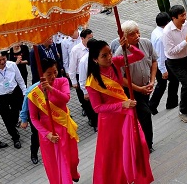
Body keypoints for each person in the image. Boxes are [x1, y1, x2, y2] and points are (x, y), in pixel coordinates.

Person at [86, 38, 153, 184]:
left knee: (140, 144)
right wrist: (122, 105)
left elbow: (139, 56)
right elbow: (97, 108)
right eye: (104, 56)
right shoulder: (92, 81)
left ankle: (137, 176)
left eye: (109, 53)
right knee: (116, 153)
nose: (109, 57)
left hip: (126, 113)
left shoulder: (115, 63)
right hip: (110, 121)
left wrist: (128, 46)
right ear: (95, 59)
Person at [28, 56, 81, 184]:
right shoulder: (34, 93)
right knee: (58, 165)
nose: (53, 76)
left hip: (65, 127)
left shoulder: (62, 81)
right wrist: (47, 134)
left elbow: (66, 98)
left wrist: (51, 89)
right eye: (49, 74)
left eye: (55, 72)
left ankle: (73, 172)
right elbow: (33, 118)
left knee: (73, 159)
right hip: (50, 133)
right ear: (41, 74)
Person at [113, 20, 158, 153]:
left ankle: (144, 142)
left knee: (143, 115)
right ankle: (147, 144)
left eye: (137, 32)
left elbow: (154, 61)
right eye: (132, 34)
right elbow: (121, 79)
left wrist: (152, 80)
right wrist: (139, 89)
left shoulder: (146, 43)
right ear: (125, 37)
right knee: (145, 115)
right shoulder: (120, 53)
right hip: (132, 90)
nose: (137, 36)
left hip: (146, 86)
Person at [0, 51, 27, 148]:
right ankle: (15, 137)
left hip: (14, 92)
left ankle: (14, 123)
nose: (2, 62)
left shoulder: (12, 65)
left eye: (4, 59)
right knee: (6, 117)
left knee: (16, 111)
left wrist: (24, 91)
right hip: (1, 96)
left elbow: (19, 79)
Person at [161, 5, 187, 121]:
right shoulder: (167, 32)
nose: (185, 17)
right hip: (174, 62)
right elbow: (171, 51)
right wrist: (186, 42)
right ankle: (183, 111)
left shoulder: (186, 24)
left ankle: (186, 107)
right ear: (174, 18)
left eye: (185, 14)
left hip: (186, 58)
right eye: (182, 16)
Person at [67, 29, 97, 130]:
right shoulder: (76, 50)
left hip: (92, 76)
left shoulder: (93, 47)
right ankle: (93, 120)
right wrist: (73, 81)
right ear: (82, 38)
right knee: (86, 101)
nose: (91, 39)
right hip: (80, 77)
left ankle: (97, 118)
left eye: (92, 37)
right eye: (89, 38)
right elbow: (72, 66)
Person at [148, 12, 172, 114]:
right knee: (167, 83)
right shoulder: (162, 37)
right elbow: (161, 55)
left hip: (157, 62)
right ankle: (153, 105)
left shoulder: (155, 31)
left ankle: (153, 105)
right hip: (161, 63)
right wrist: (163, 70)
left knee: (163, 84)